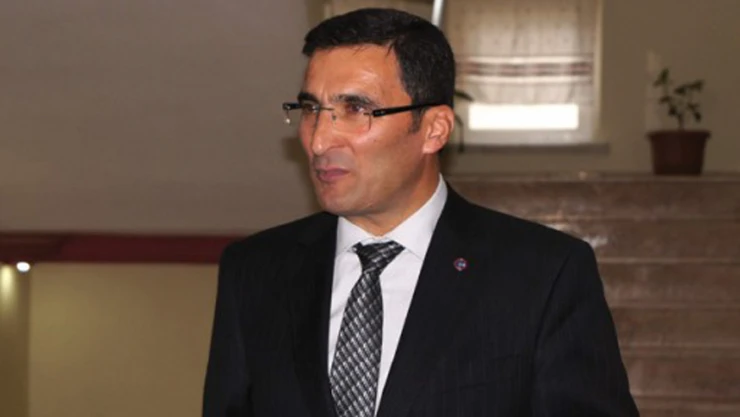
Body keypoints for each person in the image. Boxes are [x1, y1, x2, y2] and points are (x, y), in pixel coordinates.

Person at [203, 7, 638, 417]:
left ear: (434, 129)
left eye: (355, 109)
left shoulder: (542, 275)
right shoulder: (256, 271)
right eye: (312, 109)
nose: (319, 141)